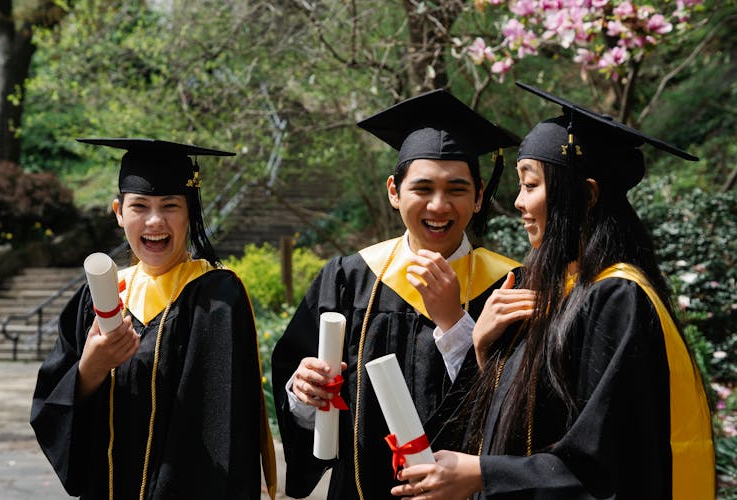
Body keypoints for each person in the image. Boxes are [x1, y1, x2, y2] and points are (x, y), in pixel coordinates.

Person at [391, 83, 715, 499]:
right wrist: (484, 349)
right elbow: (534, 421)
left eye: (531, 185)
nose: (519, 203)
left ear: (586, 194)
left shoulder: (617, 298)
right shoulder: (555, 288)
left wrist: (484, 474)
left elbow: (608, 461)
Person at [271, 89, 522, 500]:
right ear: (394, 191)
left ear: (479, 197)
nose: (438, 206)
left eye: (456, 190)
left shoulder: (511, 284)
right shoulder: (347, 278)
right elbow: (305, 402)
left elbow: (519, 411)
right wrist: (303, 395)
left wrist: (456, 324)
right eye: (422, 188)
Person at [30, 138, 276, 499]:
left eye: (170, 206)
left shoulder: (217, 297)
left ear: (190, 210)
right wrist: (90, 369)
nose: (155, 220)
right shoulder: (99, 297)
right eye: (139, 206)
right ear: (118, 211)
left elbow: (223, 429)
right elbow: (52, 412)